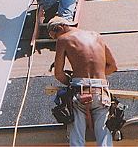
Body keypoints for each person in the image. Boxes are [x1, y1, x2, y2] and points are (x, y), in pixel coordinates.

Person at [47, 16, 118, 146]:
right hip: (102, 93)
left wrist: (72, 81)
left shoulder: (63, 39)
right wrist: (97, 78)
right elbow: (113, 66)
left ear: (60, 27)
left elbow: (58, 74)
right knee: (103, 132)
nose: (56, 39)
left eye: (54, 36)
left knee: (77, 134)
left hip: (80, 92)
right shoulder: (97, 36)